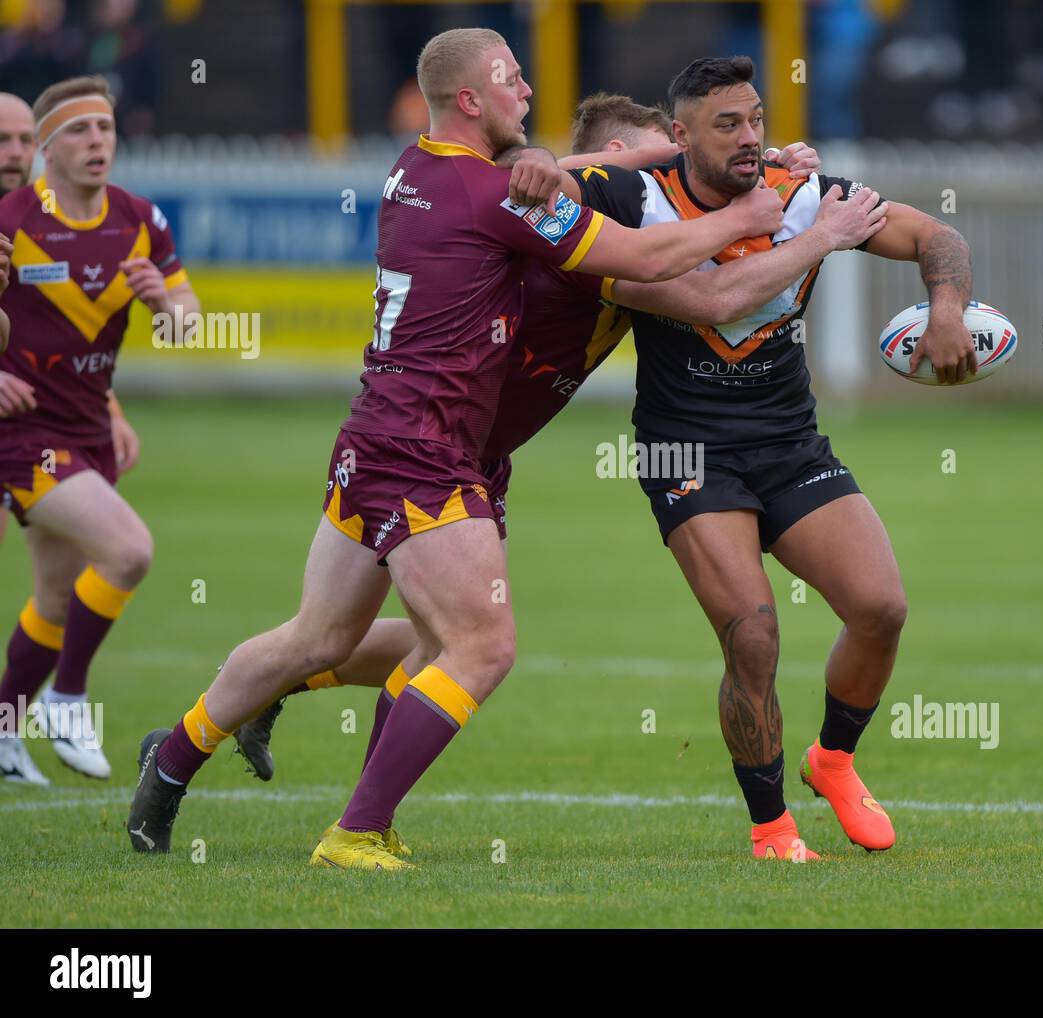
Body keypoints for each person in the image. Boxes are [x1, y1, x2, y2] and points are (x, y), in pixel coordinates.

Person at [125, 28, 786, 869]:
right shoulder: (503, 198)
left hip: (385, 433)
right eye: (512, 79)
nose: (527, 91)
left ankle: (173, 759)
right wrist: (753, 213)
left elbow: (560, 169)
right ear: (470, 100)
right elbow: (659, 261)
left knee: (325, 638)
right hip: (427, 446)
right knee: (483, 645)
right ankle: (356, 832)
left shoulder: (416, 166)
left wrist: (599, 156)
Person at [557, 56, 976, 860]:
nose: (751, 137)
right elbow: (512, 183)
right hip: (688, 448)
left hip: (788, 442)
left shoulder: (802, 188)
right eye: (728, 125)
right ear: (678, 136)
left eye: (756, 119)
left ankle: (834, 760)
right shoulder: (628, 199)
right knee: (752, 633)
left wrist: (947, 308)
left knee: (881, 608)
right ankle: (771, 826)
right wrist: (607, 158)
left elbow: (936, 234)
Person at [0, 77, 194, 784]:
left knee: (55, 597)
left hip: (87, 431)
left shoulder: (142, 219)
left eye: (106, 130)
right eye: (79, 132)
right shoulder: (12, 218)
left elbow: (188, 318)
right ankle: (69, 696)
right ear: (47, 149)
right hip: (22, 437)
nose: (97, 144)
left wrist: (165, 307)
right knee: (129, 552)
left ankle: (1, 728)